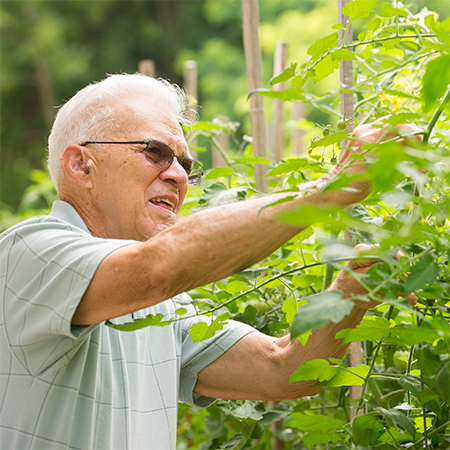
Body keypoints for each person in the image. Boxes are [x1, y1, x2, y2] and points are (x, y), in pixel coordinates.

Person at [0, 73, 418, 450]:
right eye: (155, 152)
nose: (178, 176)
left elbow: (285, 370)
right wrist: (331, 188)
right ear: (81, 164)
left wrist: (351, 295)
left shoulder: (160, 308)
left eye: (184, 164)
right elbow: (156, 269)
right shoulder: (30, 252)